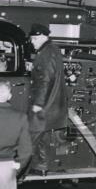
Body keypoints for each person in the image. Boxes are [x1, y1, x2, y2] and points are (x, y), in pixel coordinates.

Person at [27, 23, 68, 171]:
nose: (32, 41)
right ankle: (41, 165)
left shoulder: (46, 53)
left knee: (31, 135)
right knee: (41, 136)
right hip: (52, 104)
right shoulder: (52, 50)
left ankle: (23, 169)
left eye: (34, 38)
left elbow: (45, 80)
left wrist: (38, 103)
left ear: (43, 37)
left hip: (46, 105)